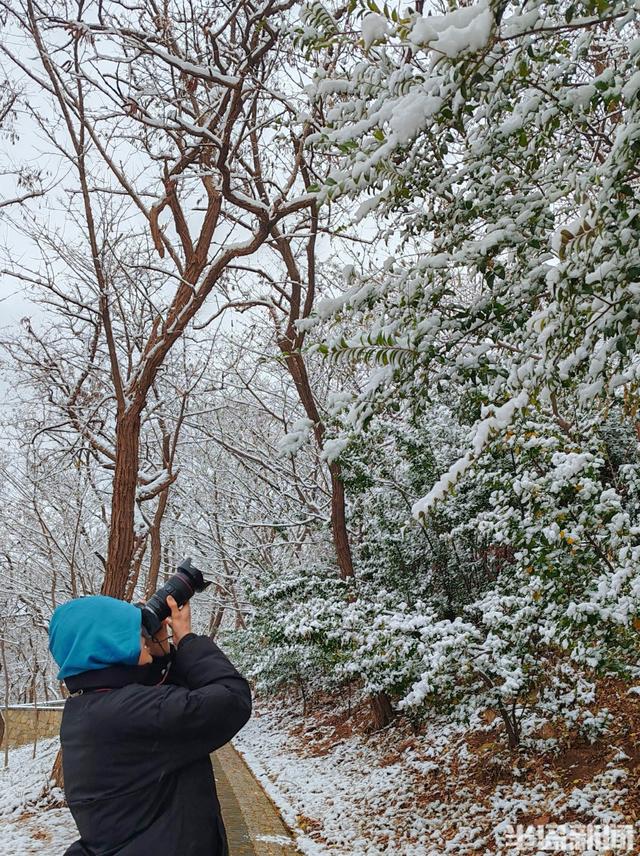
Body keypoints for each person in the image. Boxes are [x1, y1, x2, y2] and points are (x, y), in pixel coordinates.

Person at [48, 592, 252, 855]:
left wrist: (164, 654)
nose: (145, 638)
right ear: (110, 643)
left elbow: (168, 708)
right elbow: (232, 699)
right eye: (136, 632)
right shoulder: (129, 712)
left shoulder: (93, 708)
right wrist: (188, 641)